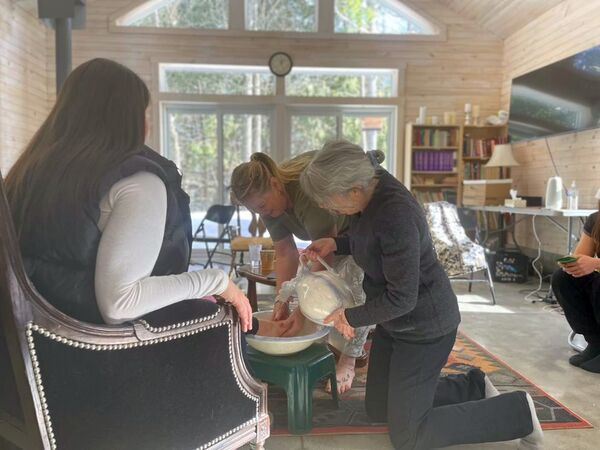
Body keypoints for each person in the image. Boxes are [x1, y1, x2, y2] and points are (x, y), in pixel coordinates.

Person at [5, 58, 286, 338]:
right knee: (217, 316)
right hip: (99, 353)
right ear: (127, 118)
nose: (147, 123)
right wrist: (216, 281)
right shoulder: (138, 181)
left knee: (203, 302)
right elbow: (120, 304)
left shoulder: (27, 174)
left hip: (32, 345)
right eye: (143, 112)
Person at [301, 140, 543, 450]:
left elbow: (403, 297)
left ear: (353, 190)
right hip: (395, 322)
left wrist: (349, 316)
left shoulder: (395, 215)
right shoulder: (369, 186)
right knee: (378, 409)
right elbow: (372, 240)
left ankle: (517, 412)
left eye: (329, 202)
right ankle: (471, 385)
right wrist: (338, 244)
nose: (327, 208)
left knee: (408, 436)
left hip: (425, 327)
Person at [230, 151, 376, 393]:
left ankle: (350, 360)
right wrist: (282, 301)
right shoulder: (269, 205)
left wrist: (302, 311)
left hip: (358, 227)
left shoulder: (304, 191)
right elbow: (286, 254)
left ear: (276, 185)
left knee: (353, 285)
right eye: (256, 211)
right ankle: (330, 345)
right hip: (327, 243)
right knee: (309, 294)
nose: (262, 214)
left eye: (263, 206)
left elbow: (327, 252)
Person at [552, 197, 600, 373]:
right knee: (564, 278)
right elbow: (581, 256)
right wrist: (572, 263)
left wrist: (595, 264)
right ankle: (595, 343)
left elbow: (593, 264)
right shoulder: (596, 220)